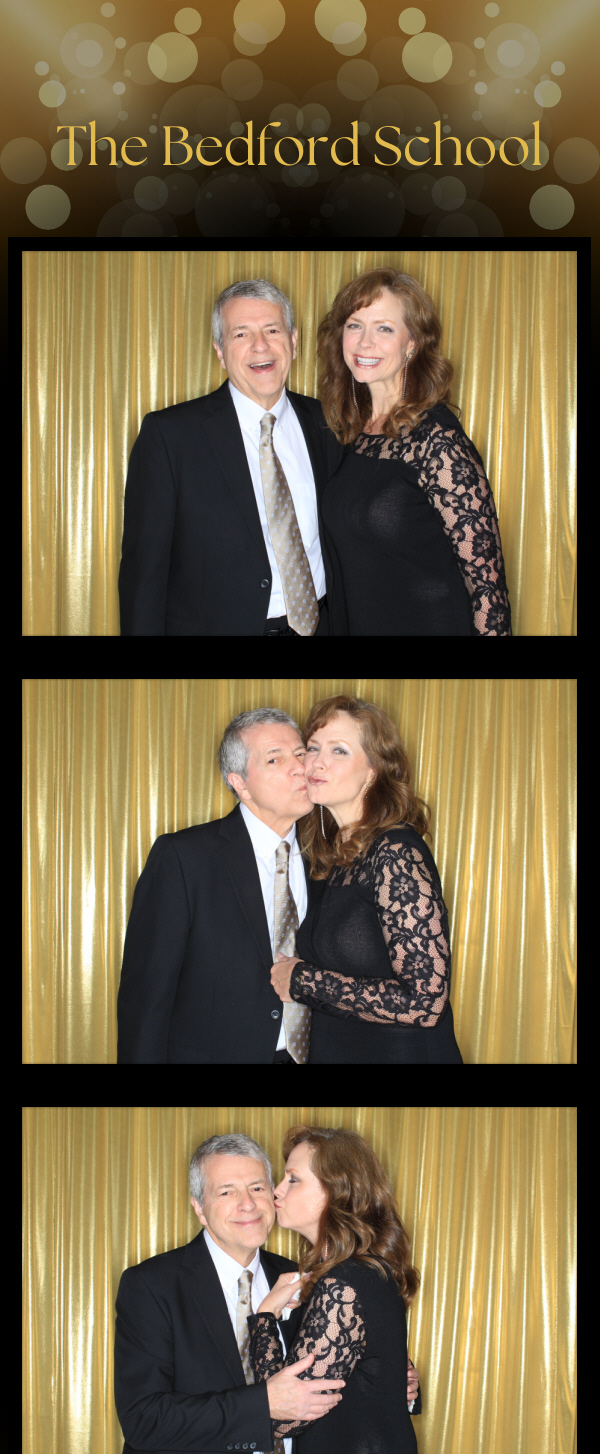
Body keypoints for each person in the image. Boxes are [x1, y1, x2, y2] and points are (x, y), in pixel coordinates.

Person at [113, 1132, 420, 1454]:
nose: (248, 1204)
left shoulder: (306, 1277)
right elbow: (143, 1418)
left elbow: (341, 1369)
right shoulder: (151, 1284)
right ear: (199, 1207)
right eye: (226, 1192)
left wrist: (391, 1382)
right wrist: (263, 1404)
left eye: (258, 1187)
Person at [118, 278, 343, 636]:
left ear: (293, 342)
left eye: (272, 330)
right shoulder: (169, 436)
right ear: (220, 351)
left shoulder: (330, 424)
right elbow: (143, 576)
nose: (260, 345)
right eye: (241, 334)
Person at [116, 706, 323, 1064]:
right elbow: (147, 996)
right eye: (275, 759)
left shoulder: (327, 857)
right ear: (239, 783)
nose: (298, 768)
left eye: (301, 754)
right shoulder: (183, 857)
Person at [317, 266, 512, 637]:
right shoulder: (354, 432)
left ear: (412, 344)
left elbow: (488, 592)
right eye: (355, 325)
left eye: (384, 328)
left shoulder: (436, 440)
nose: (364, 342)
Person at [270, 694, 464, 1064]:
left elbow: (426, 1002)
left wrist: (302, 982)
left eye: (339, 750)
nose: (317, 762)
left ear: (373, 770)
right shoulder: (330, 856)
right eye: (313, 748)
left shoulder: (395, 851)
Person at [248, 1125, 429, 1454]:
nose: (276, 1190)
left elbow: (285, 1419)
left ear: (335, 1191)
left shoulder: (343, 1282)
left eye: (293, 1179)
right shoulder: (362, 1270)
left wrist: (264, 1317)